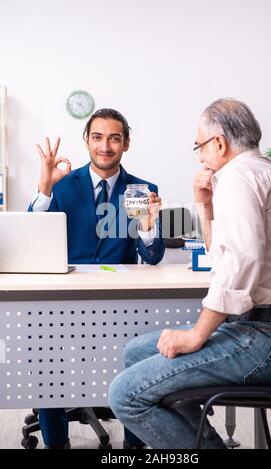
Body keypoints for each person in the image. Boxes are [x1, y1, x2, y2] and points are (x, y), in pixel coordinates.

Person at [109, 98, 271, 449]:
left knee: (124, 394)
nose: (199, 156)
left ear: (219, 143)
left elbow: (239, 266)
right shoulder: (264, 172)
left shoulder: (239, 177)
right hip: (269, 333)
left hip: (265, 339)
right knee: (137, 351)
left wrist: (196, 335)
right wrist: (204, 204)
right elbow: (221, 258)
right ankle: (208, 443)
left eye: (199, 146)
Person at [29, 108, 165, 448]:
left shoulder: (137, 191)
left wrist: (148, 225)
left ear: (126, 144)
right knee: (49, 365)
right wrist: (45, 185)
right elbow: (34, 236)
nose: (105, 146)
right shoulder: (64, 185)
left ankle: (134, 448)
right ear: (87, 141)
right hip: (63, 303)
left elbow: (152, 256)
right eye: (98, 137)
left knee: (137, 371)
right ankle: (56, 443)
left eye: (114, 138)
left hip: (119, 307)